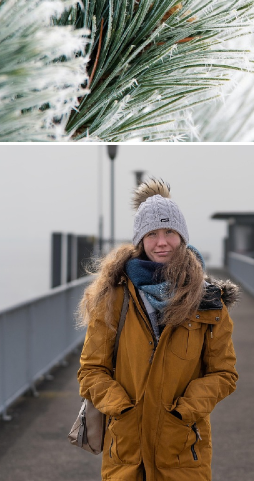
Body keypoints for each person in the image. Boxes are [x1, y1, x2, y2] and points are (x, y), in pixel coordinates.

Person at [77, 179, 240, 481]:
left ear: (182, 237)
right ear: (141, 240)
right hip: (127, 451)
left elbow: (224, 373)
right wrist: (122, 409)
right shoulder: (113, 297)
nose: (161, 242)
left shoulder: (208, 300)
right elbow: (91, 371)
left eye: (169, 232)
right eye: (152, 234)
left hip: (182, 452)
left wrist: (184, 411)